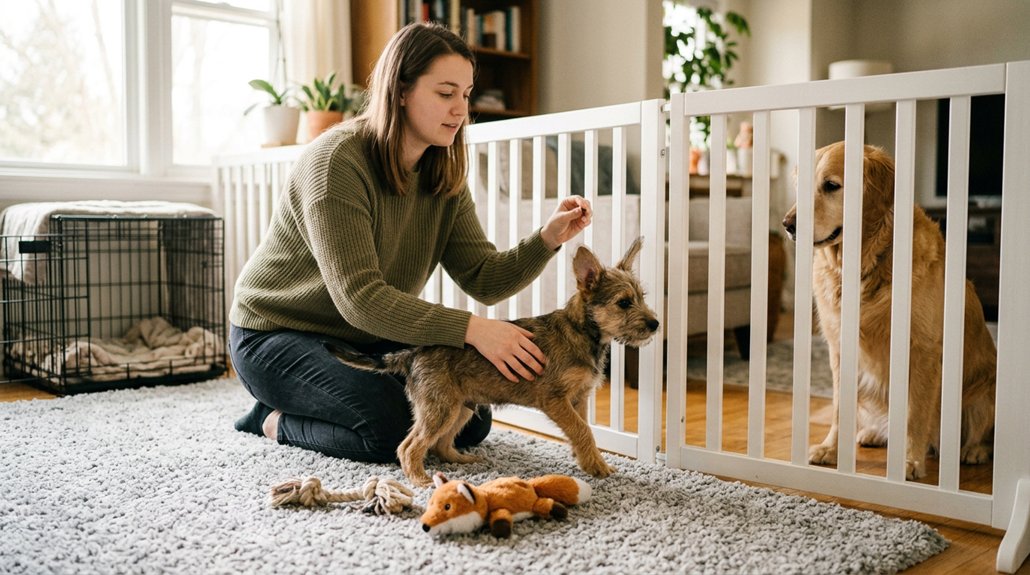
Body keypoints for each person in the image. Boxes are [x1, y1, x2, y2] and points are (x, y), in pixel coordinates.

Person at [229, 22, 592, 464]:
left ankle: (319, 404)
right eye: (445, 93)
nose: (460, 110)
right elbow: (360, 300)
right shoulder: (335, 162)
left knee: (469, 417)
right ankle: (270, 419)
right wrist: (475, 330)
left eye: (466, 94)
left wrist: (548, 238)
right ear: (400, 90)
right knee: (386, 431)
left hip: (364, 337)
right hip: (275, 334)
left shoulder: (443, 174)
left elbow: (484, 278)